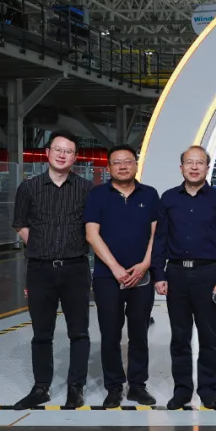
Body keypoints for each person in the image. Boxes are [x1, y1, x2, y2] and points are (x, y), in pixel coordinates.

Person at [10, 131, 91, 410]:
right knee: (41, 333)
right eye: (57, 149)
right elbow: (20, 224)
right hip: (40, 270)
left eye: (68, 151)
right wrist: (41, 247)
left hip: (76, 269)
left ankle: (75, 388)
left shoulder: (86, 189)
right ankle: (41, 388)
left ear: (75, 157)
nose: (62, 155)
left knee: (79, 332)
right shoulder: (29, 188)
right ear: (47, 153)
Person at [153, 145, 216, 411]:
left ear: (208, 167)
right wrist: (159, 273)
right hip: (176, 273)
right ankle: (182, 391)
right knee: (180, 336)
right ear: (181, 168)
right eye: (189, 162)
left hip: (208, 274)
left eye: (200, 163)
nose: (195, 167)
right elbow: (160, 239)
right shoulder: (168, 199)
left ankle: (208, 391)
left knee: (210, 337)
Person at [84, 144, 161, 408]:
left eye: (128, 161)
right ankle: (114, 387)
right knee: (110, 333)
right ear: (109, 168)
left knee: (139, 333)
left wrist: (145, 265)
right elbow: (91, 234)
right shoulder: (97, 195)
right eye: (117, 162)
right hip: (107, 277)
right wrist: (115, 268)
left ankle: (137, 386)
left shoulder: (150, 195)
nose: (123, 166)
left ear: (136, 165)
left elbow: (156, 234)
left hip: (142, 277)